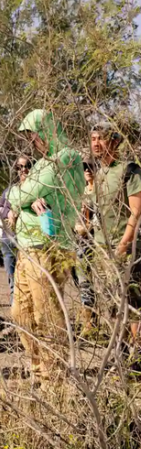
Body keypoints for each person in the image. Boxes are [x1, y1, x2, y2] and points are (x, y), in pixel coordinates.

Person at [7, 109, 84, 382]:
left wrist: (23, 198)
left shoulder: (66, 157)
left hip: (49, 247)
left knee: (47, 313)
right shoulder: (40, 163)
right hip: (26, 247)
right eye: (29, 137)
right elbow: (21, 195)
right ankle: (38, 368)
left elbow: (23, 193)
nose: (32, 142)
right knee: (21, 313)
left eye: (34, 135)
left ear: (47, 130)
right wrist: (25, 198)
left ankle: (55, 373)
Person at [90, 122, 141, 344]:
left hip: (123, 249)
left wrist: (123, 245)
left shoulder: (129, 170)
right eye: (93, 139)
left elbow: (137, 213)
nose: (96, 143)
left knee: (130, 303)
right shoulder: (99, 173)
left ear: (115, 141)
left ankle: (135, 355)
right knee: (108, 302)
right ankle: (118, 352)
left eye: (100, 138)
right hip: (100, 247)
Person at [0, 156, 33, 304]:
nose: (23, 169)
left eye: (27, 165)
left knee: (29, 280)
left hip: (28, 240)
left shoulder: (36, 189)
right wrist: (8, 212)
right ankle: (17, 316)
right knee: (13, 281)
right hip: (8, 239)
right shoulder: (9, 190)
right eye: (19, 167)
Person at [74, 158, 98, 337]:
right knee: (83, 281)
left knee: (102, 283)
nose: (88, 170)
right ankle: (89, 322)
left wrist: (88, 227)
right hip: (82, 241)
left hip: (99, 240)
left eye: (91, 166)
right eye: (85, 167)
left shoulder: (102, 189)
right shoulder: (80, 191)